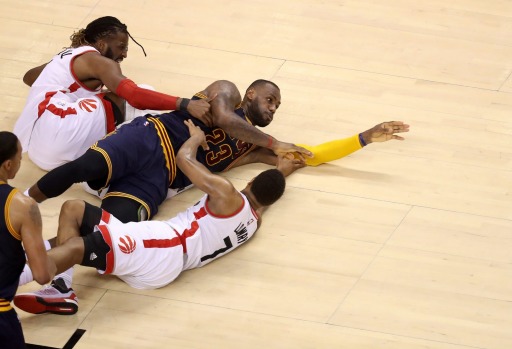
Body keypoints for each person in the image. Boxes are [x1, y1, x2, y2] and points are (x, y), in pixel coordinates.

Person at [13, 120, 304, 316]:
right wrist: (283, 169)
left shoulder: (228, 194)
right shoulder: (254, 221)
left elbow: (183, 160)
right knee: (74, 209)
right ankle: (61, 288)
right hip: (165, 255)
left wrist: (195, 138)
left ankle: (11, 279)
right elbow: (262, 198)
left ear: (250, 183)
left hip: (163, 246)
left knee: (77, 248)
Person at [25, 78, 405, 222]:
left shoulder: (251, 148)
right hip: (149, 138)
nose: (272, 108)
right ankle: (21, 201)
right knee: (81, 167)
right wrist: (274, 143)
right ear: (251, 94)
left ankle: (54, 275)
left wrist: (365, 137)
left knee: (114, 227)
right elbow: (224, 119)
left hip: (162, 178)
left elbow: (310, 155)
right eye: (270, 99)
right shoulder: (226, 92)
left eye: (277, 107)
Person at [14, 16, 220, 171]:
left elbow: (28, 77)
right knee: (131, 96)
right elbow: (133, 95)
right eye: (121, 47)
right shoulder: (100, 62)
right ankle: (186, 128)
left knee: (113, 98)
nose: (124, 54)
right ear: (102, 44)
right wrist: (184, 103)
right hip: (60, 135)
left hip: (38, 148)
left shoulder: (67, 55)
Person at [0, 132, 56, 348]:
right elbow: (42, 274)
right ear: (8, 164)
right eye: (20, 158)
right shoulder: (22, 205)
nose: (20, 163)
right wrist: (56, 261)